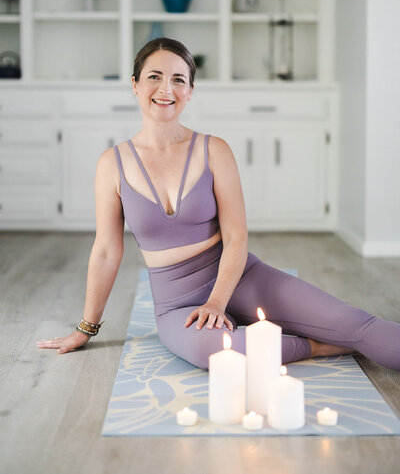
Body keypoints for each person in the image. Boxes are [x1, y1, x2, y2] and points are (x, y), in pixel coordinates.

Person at [37, 37, 400, 372]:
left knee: (358, 325)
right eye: (154, 77)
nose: (166, 89)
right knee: (208, 352)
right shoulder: (112, 164)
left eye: (178, 80)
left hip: (243, 278)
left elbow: (237, 237)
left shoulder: (214, 150)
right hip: (177, 304)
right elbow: (106, 251)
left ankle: (334, 336)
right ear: (135, 84)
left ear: (190, 91)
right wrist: (86, 328)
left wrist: (216, 302)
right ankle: (317, 346)